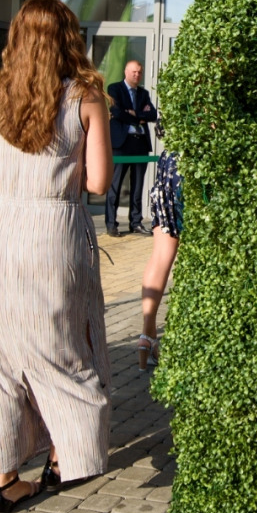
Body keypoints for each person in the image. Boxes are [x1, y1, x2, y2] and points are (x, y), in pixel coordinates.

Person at [0, 0, 114, 513]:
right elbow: (98, 181)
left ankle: (6, 478)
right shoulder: (85, 96)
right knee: (66, 348)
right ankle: (64, 457)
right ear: (68, 38)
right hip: (54, 234)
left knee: (4, 358)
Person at [136, 107, 182, 371]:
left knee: (160, 254)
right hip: (194, 168)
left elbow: (161, 129)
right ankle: (179, 338)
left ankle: (146, 333)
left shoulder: (176, 83)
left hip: (169, 165)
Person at [105, 59, 158, 237]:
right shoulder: (115, 89)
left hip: (140, 144)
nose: (137, 75)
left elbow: (152, 114)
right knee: (115, 185)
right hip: (121, 144)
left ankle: (135, 222)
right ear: (126, 72)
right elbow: (117, 112)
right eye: (134, 72)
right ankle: (111, 224)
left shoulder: (143, 93)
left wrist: (134, 113)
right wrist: (138, 116)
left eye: (139, 72)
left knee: (138, 187)